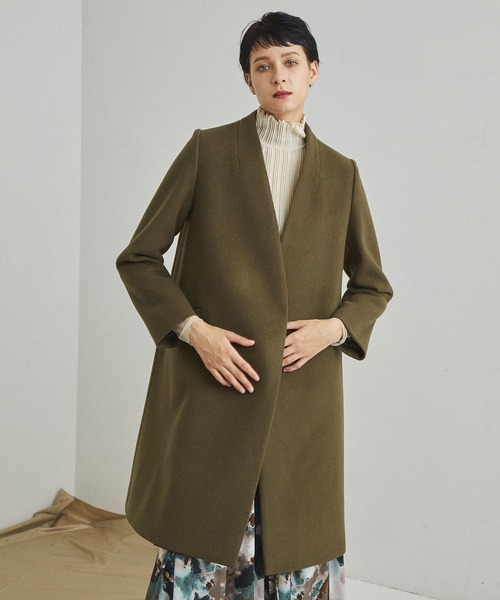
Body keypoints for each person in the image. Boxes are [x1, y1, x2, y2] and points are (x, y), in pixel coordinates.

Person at [116, 11, 393, 600]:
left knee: (296, 542)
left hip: (302, 399)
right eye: (263, 66)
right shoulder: (208, 151)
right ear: (248, 80)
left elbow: (372, 285)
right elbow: (139, 257)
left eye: (291, 62)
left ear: (313, 70)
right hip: (214, 385)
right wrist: (194, 331)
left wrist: (331, 330)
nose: (278, 76)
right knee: (202, 535)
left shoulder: (341, 174)